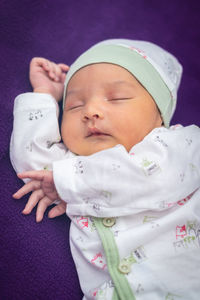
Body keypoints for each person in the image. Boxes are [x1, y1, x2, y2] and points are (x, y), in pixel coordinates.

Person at [10, 39, 200, 300]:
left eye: (117, 97)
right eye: (74, 106)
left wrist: (68, 183)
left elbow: (150, 177)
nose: (90, 111)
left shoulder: (182, 145)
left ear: (160, 113)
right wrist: (44, 95)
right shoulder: (76, 166)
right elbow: (34, 170)